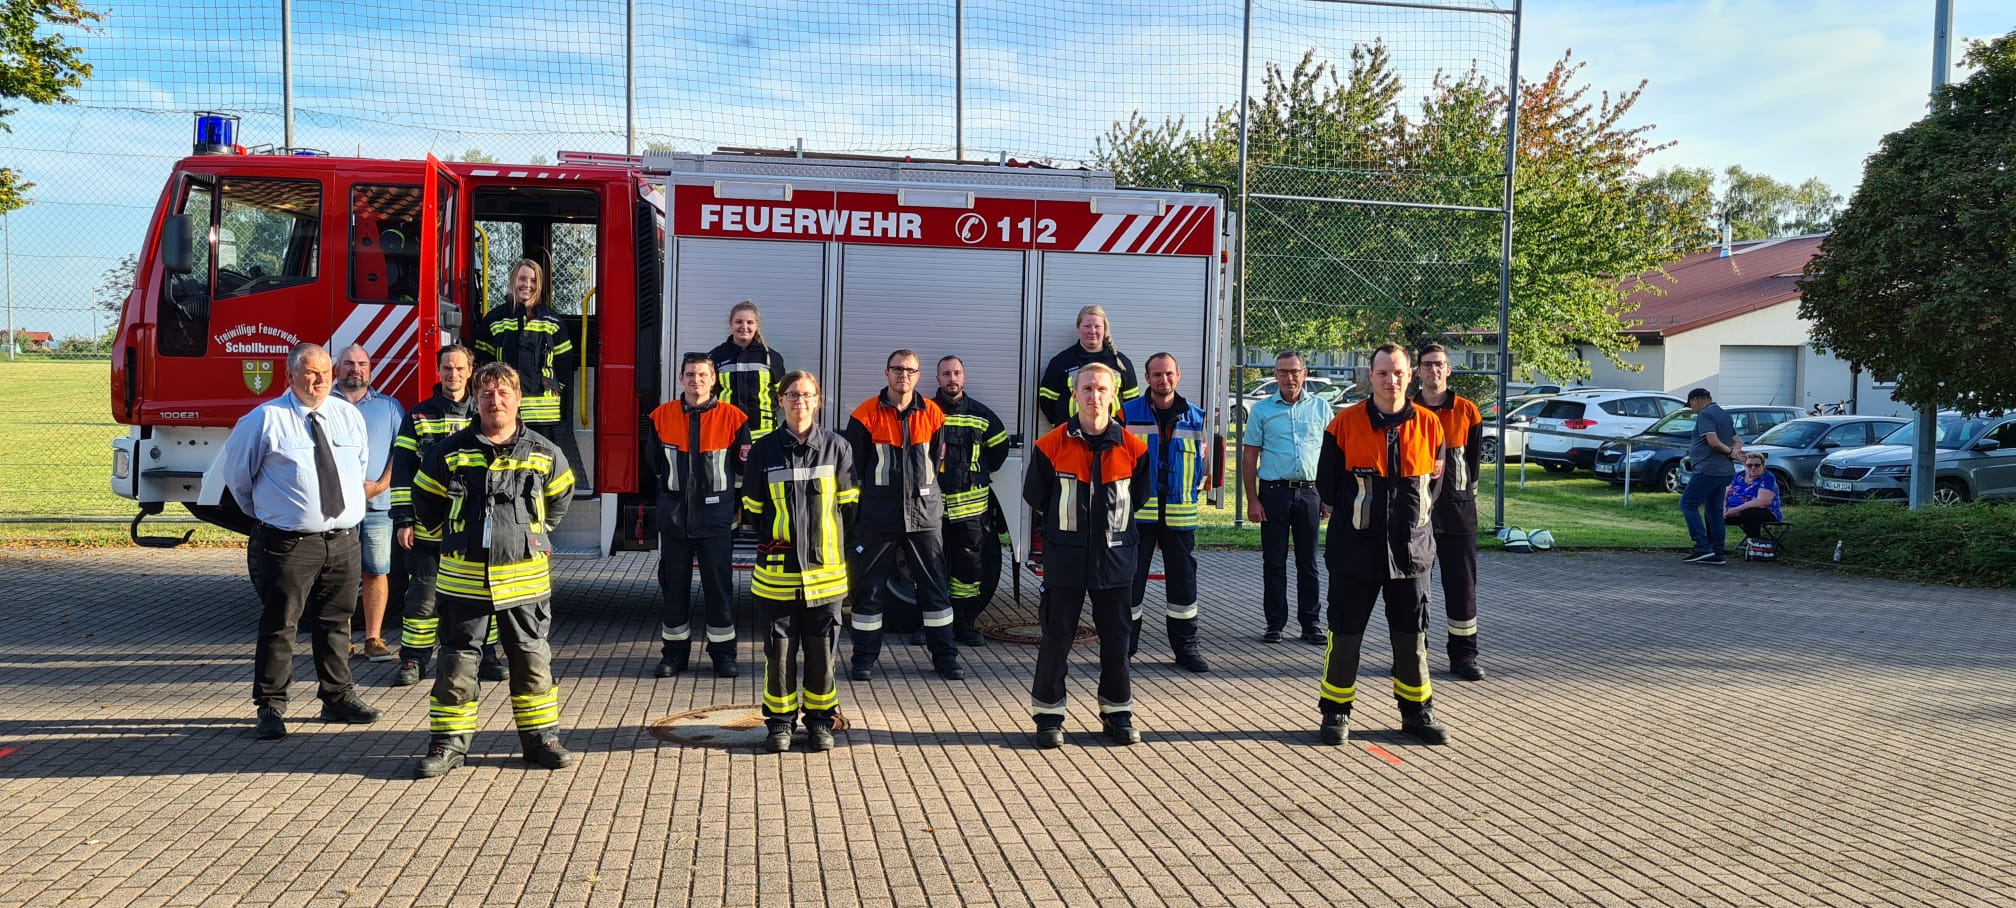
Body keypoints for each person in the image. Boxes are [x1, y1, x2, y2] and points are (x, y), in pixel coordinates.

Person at [409, 362, 576, 778]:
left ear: (518, 400)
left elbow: (559, 500)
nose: (495, 401)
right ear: (476, 399)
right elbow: (425, 501)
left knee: (532, 659)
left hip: (524, 579)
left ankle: (541, 740)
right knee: (456, 662)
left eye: (504, 394)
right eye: (487, 394)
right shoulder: (448, 450)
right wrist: (452, 536)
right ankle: (448, 744)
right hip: (464, 576)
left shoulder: (544, 452)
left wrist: (526, 534)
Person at [217, 342, 383, 740]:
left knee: (335, 623)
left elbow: (358, 468)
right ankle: (271, 706)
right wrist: (279, 515)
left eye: (325, 371)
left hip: (343, 540)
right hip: (289, 544)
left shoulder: (348, 416)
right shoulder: (263, 420)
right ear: (289, 376)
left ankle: (337, 697)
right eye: (310, 372)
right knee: (281, 625)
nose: (320, 379)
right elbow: (239, 481)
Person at [1314, 343, 1449, 747]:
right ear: (1369, 377)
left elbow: (1433, 489)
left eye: (1398, 373)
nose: (1391, 380)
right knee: (1346, 633)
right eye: (1383, 373)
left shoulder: (1430, 426)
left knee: (1412, 635)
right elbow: (1328, 486)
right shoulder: (1344, 425)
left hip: (1412, 553)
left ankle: (1417, 711)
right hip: (1355, 552)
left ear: (1411, 376)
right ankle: (1336, 711)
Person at [1025, 362, 1152, 748]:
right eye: (1087, 389)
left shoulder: (1134, 449)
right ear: (1074, 395)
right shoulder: (1050, 447)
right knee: (1056, 637)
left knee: (1116, 638)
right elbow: (1037, 497)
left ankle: (1118, 714)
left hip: (1114, 560)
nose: (1094, 396)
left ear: (1113, 396)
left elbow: (1139, 498)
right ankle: (1048, 716)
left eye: (1101, 389)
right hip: (1066, 559)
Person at [741, 370, 859, 753]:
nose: (799, 402)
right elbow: (754, 509)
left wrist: (827, 546)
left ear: (818, 400)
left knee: (822, 649)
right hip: (778, 571)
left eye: (807, 395)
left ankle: (821, 721)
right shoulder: (762, 451)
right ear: (780, 400)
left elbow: (849, 509)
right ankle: (779, 724)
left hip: (825, 572)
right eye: (792, 395)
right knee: (778, 650)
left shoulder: (838, 448)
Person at [845, 349, 963, 681]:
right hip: (878, 517)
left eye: (910, 370)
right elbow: (855, 471)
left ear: (918, 375)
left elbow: (938, 463)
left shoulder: (933, 414)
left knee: (935, 589)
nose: (903, 375)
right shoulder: (864, 415)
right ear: (886, 373)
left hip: (924, 516)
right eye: (897, 369)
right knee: (868, 590)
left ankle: (945, 657)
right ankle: (864, 658)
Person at [649, 352, 751, 678]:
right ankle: (674, 655)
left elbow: (743, 467)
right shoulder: (659, 417)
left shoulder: (735, 418)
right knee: (674, 589)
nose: (696, 381)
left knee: (719, 589)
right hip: (675, 519)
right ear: (680, 379)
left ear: (713, 379)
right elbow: (654, 464)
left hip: (716, 520)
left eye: (703, 375)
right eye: (690, 374)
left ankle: (723, 655)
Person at [389, 344, 482, 687]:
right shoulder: (418, 415)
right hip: (429, 528)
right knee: (422, 598)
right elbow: (402, 472)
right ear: (438, 371)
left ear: (470, 371)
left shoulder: (484, 413)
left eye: (459, 369)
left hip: (473, 527)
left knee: (481, 595)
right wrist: (403, 519)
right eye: (447, 368)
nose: (453, 375)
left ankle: (487, 656)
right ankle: (413, 660)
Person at [1120, 352, 1212, 673]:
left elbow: (1205, 467)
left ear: (1179, 375)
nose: (1164, 380)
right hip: (1137, 516)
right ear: (1147, 378)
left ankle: (1187, 649)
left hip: (1180, 517)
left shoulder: (1197, 418)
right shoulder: (1126, 414)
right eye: (1157, 374)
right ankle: (1123, 649)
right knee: (1131, 585)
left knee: (1183, 587)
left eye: (1169, 373)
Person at [1241, 350, 1330, 644]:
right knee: (1274, 561)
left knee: (1309, 562)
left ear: (1304, 374)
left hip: (1310, 492)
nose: (1289, 377)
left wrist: (1328, 497)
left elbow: (1333, 455)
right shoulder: (1262, 411)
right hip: (1274, 493)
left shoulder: (1321, 408)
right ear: (1275, 375)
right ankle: (1275, 624)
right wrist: (1252, 500)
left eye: (1294, 371)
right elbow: (1250, 456)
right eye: (1282, 372)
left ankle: (1311, 624)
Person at [1412, 344, 1487, 682]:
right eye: (1427, 365)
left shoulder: (1468, 411)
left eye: (1439, 364)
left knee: (1462, 587)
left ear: (1449, 369)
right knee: (1413, 590)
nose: (1434, 371)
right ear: (1418, 371)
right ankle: (1412, 656)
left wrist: (1463, 499)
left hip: (1458, 515)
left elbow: (1472, 464)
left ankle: (1464, 656)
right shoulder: (1407, 410)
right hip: (1416, 516)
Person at [476, 258, 583, 496]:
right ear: (513, 281)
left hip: (544, 415)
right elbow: (481, 361)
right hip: (505, 410)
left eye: (533, 280)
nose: (528, 285)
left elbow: (565, 362)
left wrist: (557, 387)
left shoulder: (553, 322)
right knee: (505, 469)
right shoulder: (495, 320)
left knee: (541, 470)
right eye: (522, 279)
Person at [334, 344, 405, 663]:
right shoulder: (323, 406)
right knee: (339, 575)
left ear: (370, 369)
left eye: (362, 363)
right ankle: (340, 640)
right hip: (336, 509)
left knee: (376, 572)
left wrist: (379, 486)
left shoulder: (389, 408)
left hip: (378, 508)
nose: (355, 369)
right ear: (337, 368)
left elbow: (401, 453)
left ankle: (374, 639)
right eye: (349, 363)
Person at [933, 355, 1010, 647]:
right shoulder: (926, 412)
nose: (952, 378)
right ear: (937, 378)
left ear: (963, 377)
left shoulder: (981, 414)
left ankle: (965, 624)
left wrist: (977, 474)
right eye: (946, 374)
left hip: (971, 510)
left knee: (968, 569)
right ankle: (929, 626)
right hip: (933, 508)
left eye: (956, 373)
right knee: (931, 568)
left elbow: (999, 448)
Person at [1037, 304, 1140, 428]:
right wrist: (1061, 426)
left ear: (1104, 329)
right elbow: (1046, 401)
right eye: (1087, 326)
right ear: (1078, 327)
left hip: (1111, 436)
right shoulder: (1061, 362)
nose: (1092, 331)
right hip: (1071, 435)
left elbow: (1133, 403)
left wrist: (1120, 428)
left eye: (1097, 326)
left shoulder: (1121, 363)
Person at [709, 300, 788, 444]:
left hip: (763, 435)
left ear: (757, 325)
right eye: (739, 322)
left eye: (750, 322)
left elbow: (782, 395)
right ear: (730, 324)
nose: (744, 327)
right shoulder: (716, 356)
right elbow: (707, 394)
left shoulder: (771, 357)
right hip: (725, 431)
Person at [1680, 387, 1742, 566]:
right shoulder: (1724, 414)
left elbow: (1713, 442)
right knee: (1714, 510)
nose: (1692, 409)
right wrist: (1734, 452)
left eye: (1691, 405)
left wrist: (1730, 451)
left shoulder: (1705, 415)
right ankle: (1717, 552)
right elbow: (1738, 440)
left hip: (1707, 469)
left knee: (1687, 504)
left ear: (1696, 400)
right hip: (1724, 471)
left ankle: (1702, 546)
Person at [1724, 452, 1783, 542]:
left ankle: (1755, 543)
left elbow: (1763, 502)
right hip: (1732, 512)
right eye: (1749, 465)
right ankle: (1713, 545)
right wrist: (1724, 508)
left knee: (1749, 513)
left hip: (1765, 512)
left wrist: (1737, 510)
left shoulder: (1767, 477)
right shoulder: (1739, 476)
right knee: (1712, 512)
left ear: (1763, 466)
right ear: (1745, 466)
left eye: (1757, 465)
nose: (1753, 468)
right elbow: (1725, 493)